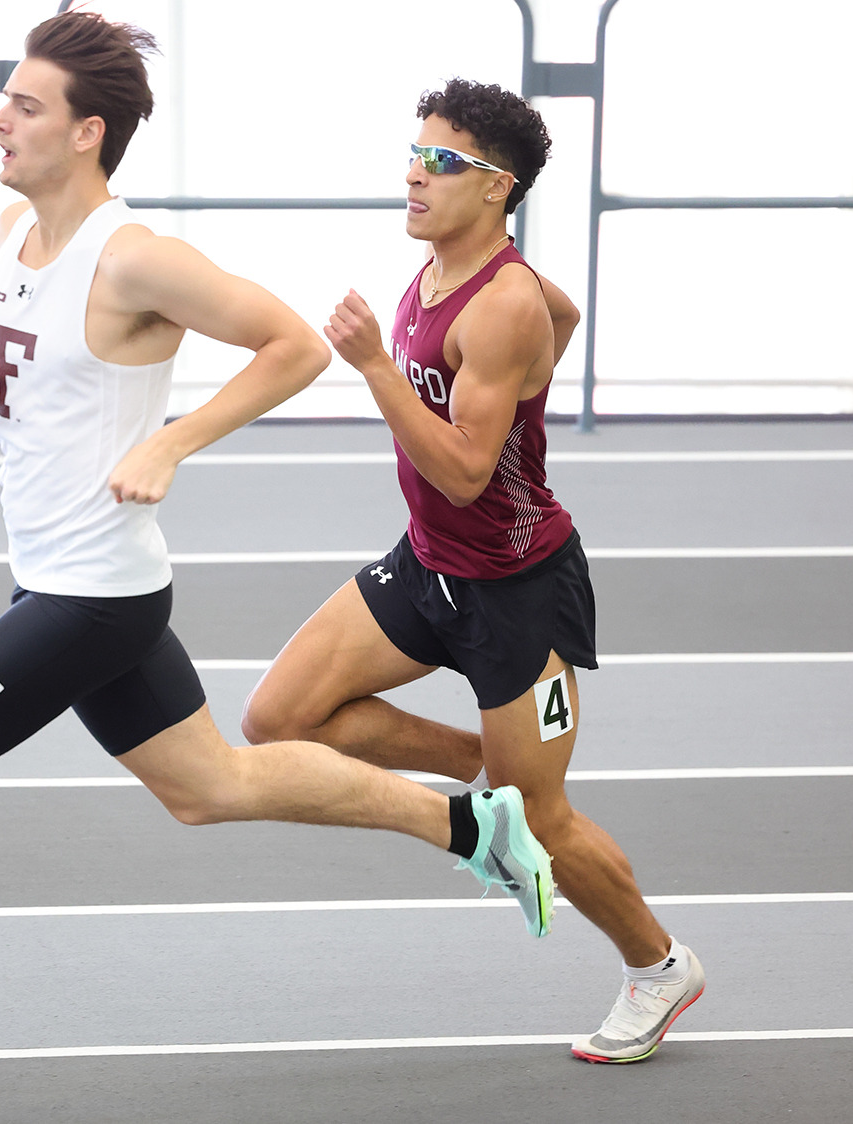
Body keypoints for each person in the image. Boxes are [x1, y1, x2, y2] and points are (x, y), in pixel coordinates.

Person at [0, 17, 553, 1115]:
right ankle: (474, 825)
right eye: (4, 97)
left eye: (28, 105)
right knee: (211, 786)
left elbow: (286, 343)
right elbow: (52, 363)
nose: (0, 117)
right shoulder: (14, 233)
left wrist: (171, 440)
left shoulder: (135, 253)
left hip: (88, 594)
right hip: (79, 580)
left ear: (88, 133)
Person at [241, 79, 705, 1065]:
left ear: (495, 189)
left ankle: (658, 965)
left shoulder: (498, 305)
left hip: (516, 592)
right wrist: (530, 358)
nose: (414, 172)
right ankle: (475, 769)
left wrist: (372, 367)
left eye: (441, 160)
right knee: (277, 720)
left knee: (542, 816)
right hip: (427, 567)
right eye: (413, 152)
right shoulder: (461, 273)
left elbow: (459, 471)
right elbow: (559, 312)